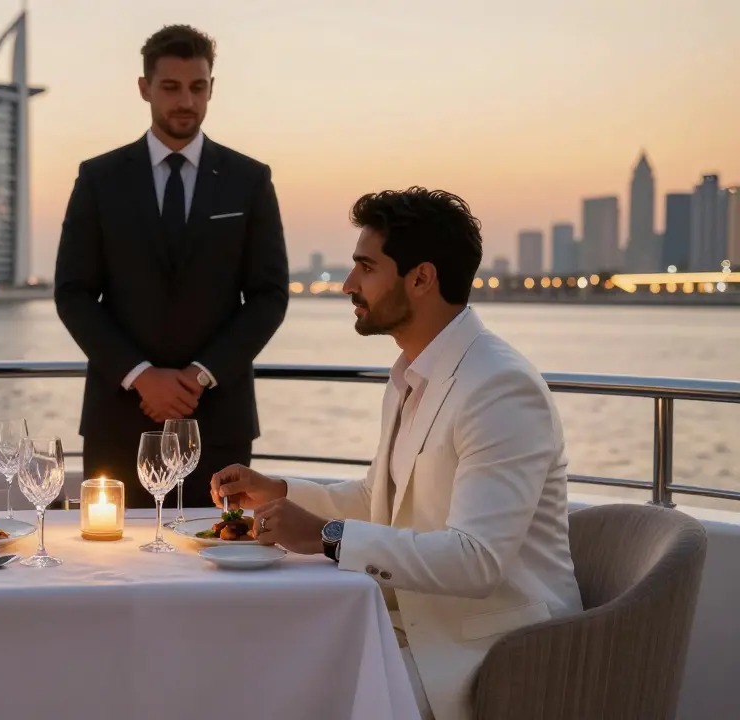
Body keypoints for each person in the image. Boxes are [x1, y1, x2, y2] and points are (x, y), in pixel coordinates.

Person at [210, 188, 583, 720]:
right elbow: (376, 500)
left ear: (422, 278)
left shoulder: (499, 386)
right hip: (404, 628)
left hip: (494, 654)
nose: (348, 285)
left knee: (299, 697)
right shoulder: (411, 375)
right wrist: (280, 493)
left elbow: (476, 561)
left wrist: (324, 536)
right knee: (254, 668)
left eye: (366, 267)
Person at [54, 24, 289, 508]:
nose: (186, 101)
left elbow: (269, 295)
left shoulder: (249, 180)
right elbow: (73, 292)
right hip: (118, 420)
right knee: (112, 572)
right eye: (171, 87)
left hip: (218, 418)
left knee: (218, 564)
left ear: (211, 89)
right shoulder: (99, 179)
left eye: (197, 87)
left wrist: (199, 376)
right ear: (144, 88)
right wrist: (141, 375)